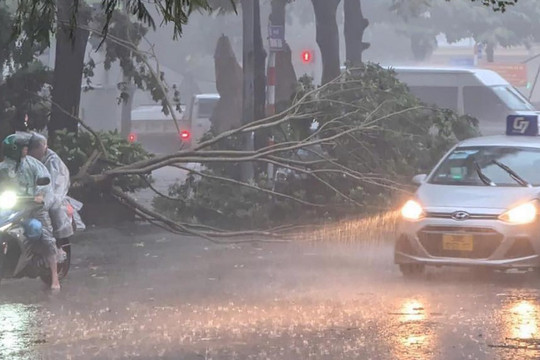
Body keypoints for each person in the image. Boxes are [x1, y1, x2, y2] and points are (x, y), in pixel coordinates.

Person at [0, 134, 61, 290]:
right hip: (11, 207)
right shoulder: (3, 167)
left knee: (46, 237)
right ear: (16, 149)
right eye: (24, 147)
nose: (26, 150)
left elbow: (44, 181)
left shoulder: (33, 165)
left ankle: (55, 278)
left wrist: (40, 195)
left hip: (33, 207)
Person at [28, 133, 74, 241]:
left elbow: (55, 183)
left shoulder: (52, 161)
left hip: (49, 191)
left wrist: (45, 194)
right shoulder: (24, 159)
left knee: (53, 208)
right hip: (27, 194)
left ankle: (59, 240)